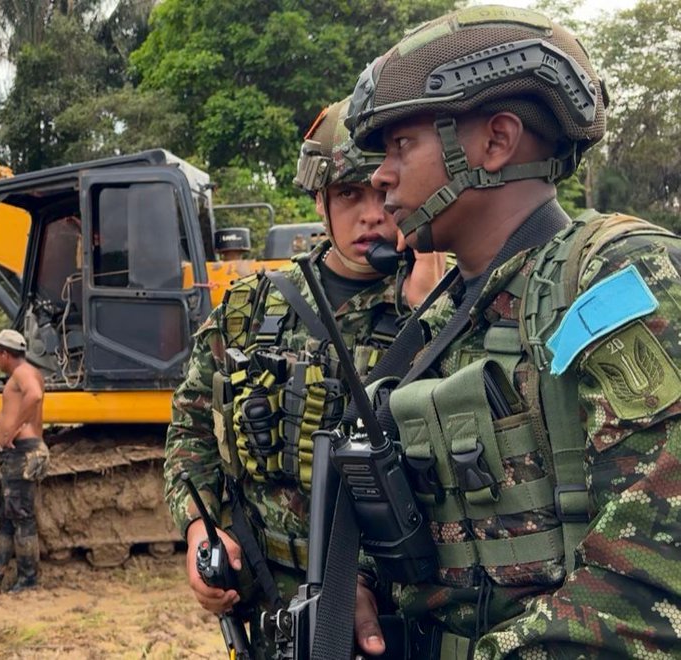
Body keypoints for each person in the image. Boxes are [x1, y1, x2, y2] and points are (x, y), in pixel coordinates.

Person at [338, 6, 681, 658]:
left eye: (401, 145)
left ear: (496, 142)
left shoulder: (614, 280)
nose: (380, 176)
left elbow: (654, 570)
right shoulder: (445, 314)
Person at [163, 96, 446, 657]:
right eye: (349, 194)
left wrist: (433, 309)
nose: (372, 214)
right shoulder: (249, 309)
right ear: (321, 202)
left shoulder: (449, 306)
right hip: (271, 617)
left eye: (384, 193)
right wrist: (199, 527)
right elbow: (190, 435)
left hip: (392, 623)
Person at [0, 329, 48, 593]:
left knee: (20, 516)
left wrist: (15, 428)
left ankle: (28, 579)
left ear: (4, 354)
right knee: (9, 516)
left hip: (23, 450)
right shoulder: (27, 373)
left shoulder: (23, 373)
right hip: (19, 451)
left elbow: (34, 396)